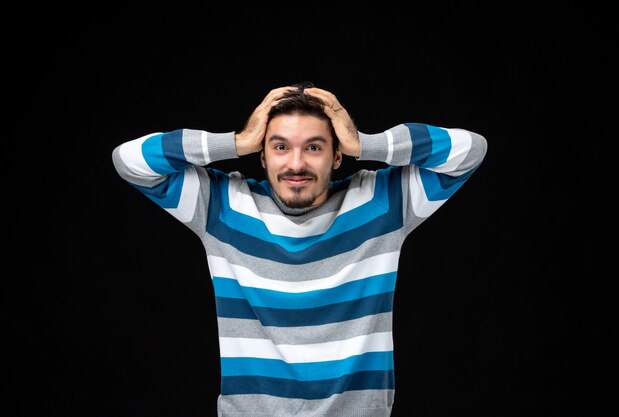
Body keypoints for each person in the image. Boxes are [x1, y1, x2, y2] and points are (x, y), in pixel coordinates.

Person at [111, 82, 488, 417]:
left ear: (337, 156)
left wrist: (365, 143)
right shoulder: (222, 205)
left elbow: (471, 150)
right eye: (279, 147)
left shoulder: (382, 201)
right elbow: (129, 160)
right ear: (262, 155)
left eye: (313, 147)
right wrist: (237, 141)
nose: (296, 163)